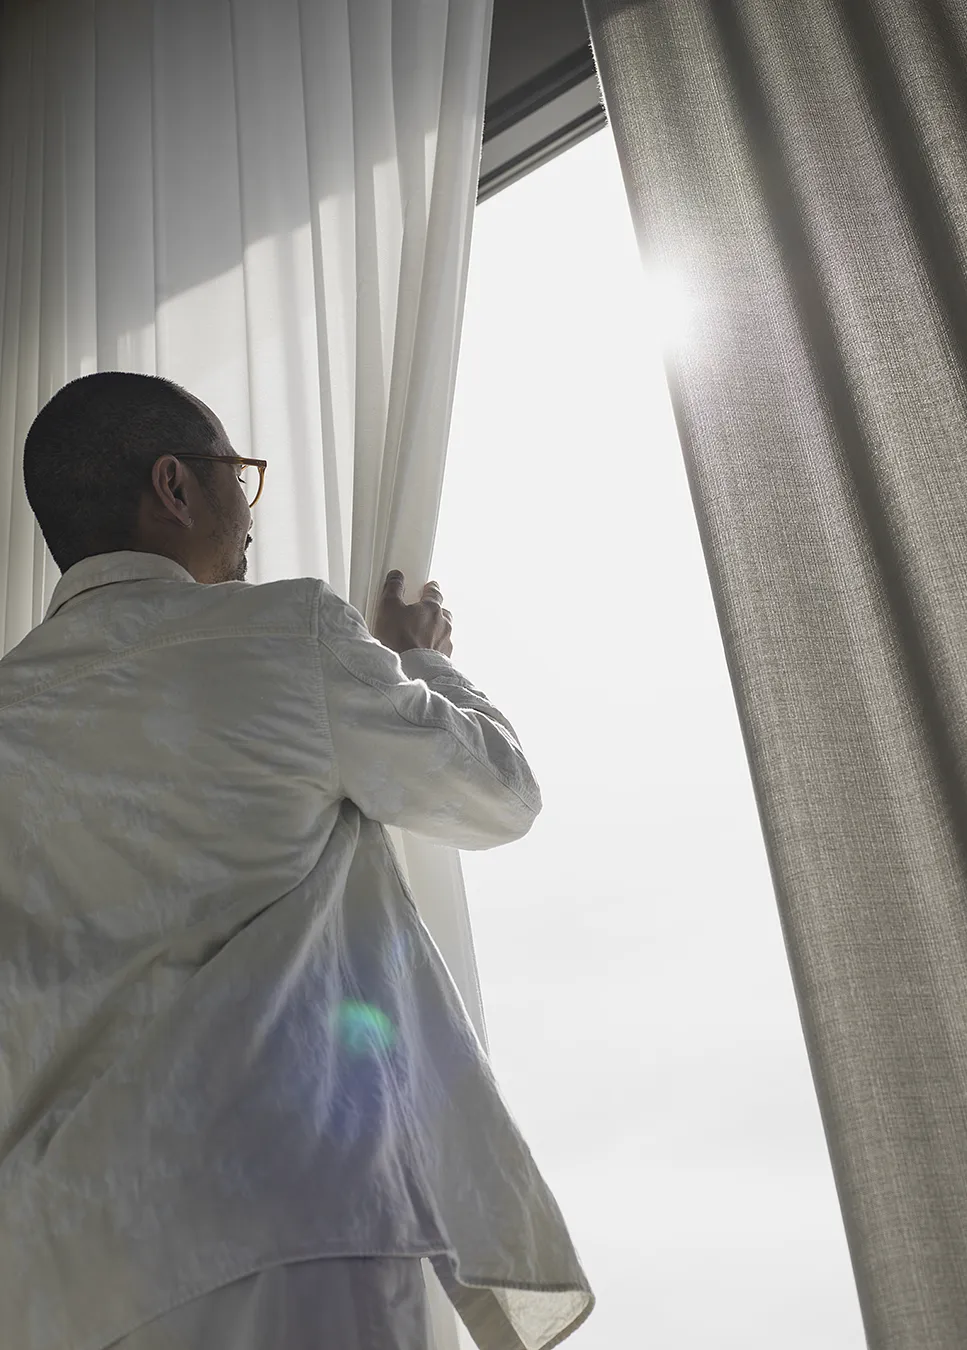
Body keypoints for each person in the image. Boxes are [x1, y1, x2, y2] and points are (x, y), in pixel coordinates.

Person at [1, 373, 594, 1350]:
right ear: (176, 489)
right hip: (286, 1219)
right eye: (239, 476)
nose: (248, 514)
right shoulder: (285, 635)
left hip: (57, 1273)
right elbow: (496, 795)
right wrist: (424, 663)